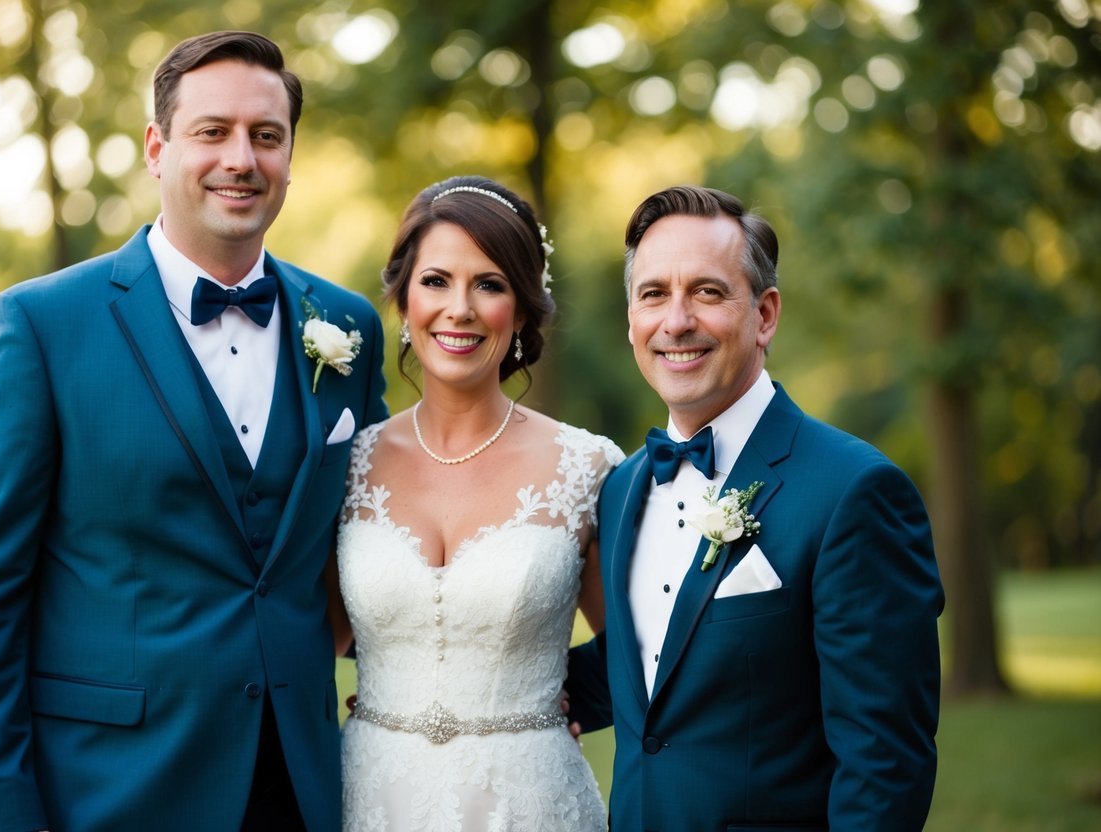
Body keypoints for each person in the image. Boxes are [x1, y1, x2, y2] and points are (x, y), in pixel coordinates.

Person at [0, 31, 386, 832]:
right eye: (212, 131)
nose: (241, 159)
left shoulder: (346, 326)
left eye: (266, 135)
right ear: (156, 147)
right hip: (112, 792)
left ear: (289, 155)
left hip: (302, 790)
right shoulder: (41, 327)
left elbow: (377, 542)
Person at [566, 185, 944, 830]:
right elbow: (653, 665)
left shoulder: (853, 491)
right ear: (631, 319)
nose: (676, 321)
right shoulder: (620, 487)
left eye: (707, 292)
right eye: (653, 294)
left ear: (765, 315)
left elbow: (885, 763)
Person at [329, 175, 623, 831]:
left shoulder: (586, 467)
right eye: (435, 281)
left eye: (488, 285)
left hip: (531, 803)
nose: (458, 308)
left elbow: (635, 654)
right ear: (403, 299)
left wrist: (558, 704)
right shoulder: (346, 465)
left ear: (520, 310)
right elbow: (304, 634)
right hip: (372, 798)